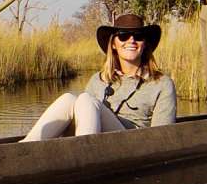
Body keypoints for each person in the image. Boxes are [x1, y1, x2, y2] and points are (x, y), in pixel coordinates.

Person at [20, 13, 177, 142]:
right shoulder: (98, 79)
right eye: (123, 36)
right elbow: (85, 115)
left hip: (132, 144)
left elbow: (161, 138)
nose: (131, 40)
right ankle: (24, 149)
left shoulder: (162, 84)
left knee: (86, 100)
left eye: (138, 36)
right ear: (113, 44)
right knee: (69, 99)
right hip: (98, 141)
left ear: (145, 43)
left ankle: (84, 156)